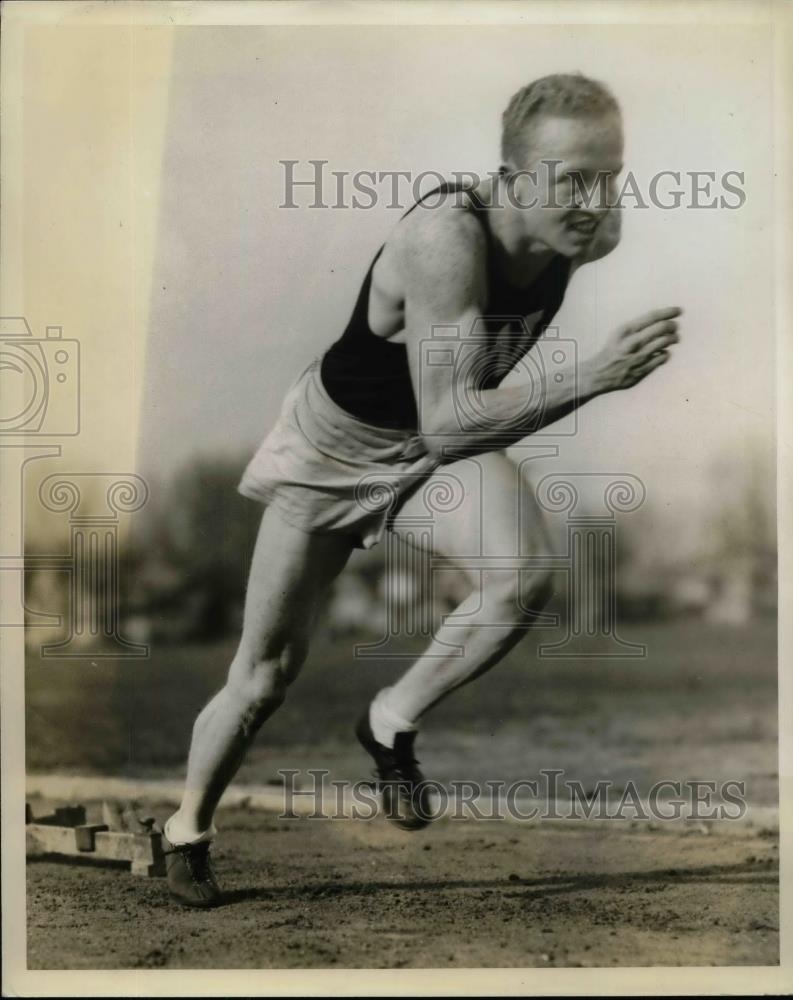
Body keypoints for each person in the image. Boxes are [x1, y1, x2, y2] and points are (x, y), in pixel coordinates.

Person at [161, 73, 681, 907]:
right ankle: (185, 831)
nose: (595, 202)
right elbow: (450, 424)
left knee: (524, 575)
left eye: (610, 175)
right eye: (571, 179)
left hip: (426, 452)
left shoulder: (593, 232)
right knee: (262, 677)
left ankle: (388, 720)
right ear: (510, 178)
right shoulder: (444, 238)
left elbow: (437, 439)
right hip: (330, 452)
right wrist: (592, 377)